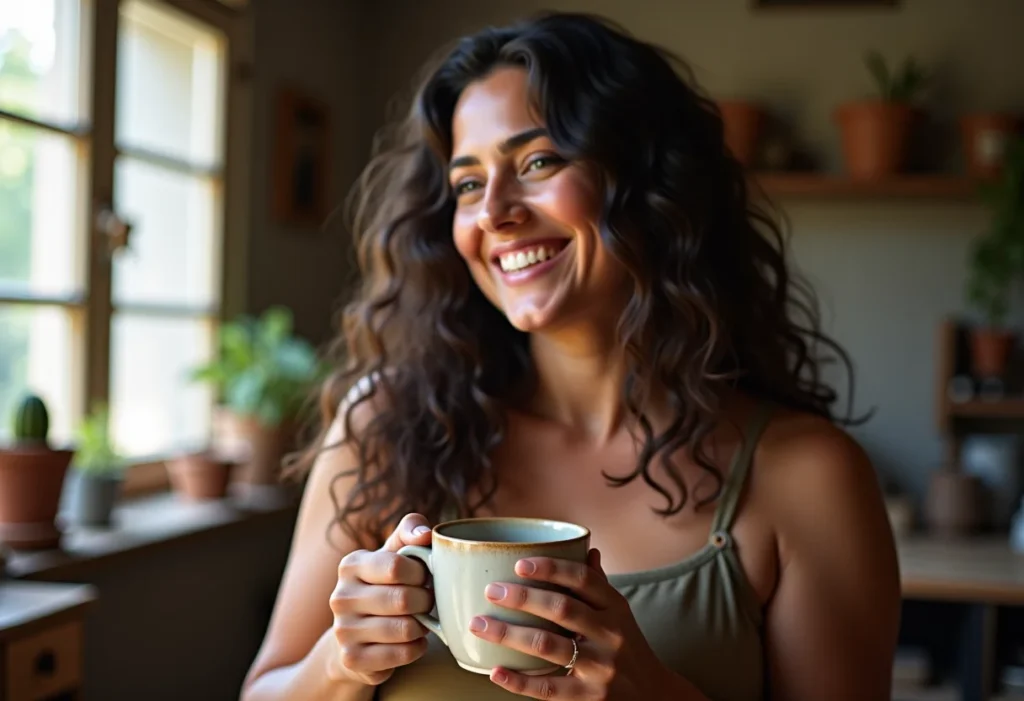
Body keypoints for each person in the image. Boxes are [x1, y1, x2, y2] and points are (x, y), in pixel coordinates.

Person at [240, 11, 900, 701]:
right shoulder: (381, 425)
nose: (494, 211)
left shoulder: (809, 478)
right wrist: (338, 663)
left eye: (538, 162)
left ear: (652, 182)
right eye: (467, 183)